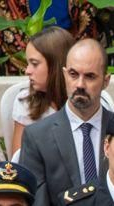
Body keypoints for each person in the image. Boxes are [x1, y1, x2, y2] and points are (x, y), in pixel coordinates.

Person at [16, 36, 110, 206]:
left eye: (90, 77)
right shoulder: (37, 136)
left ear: (106, 81)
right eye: (74, 75)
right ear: (65, 74)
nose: (80, 85)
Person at [7, 25, 71, 158]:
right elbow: (19, 161)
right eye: (28, 63)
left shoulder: (83, 102)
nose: (27, 71)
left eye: (34, 64)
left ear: (56, 66)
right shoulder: (26, 102)